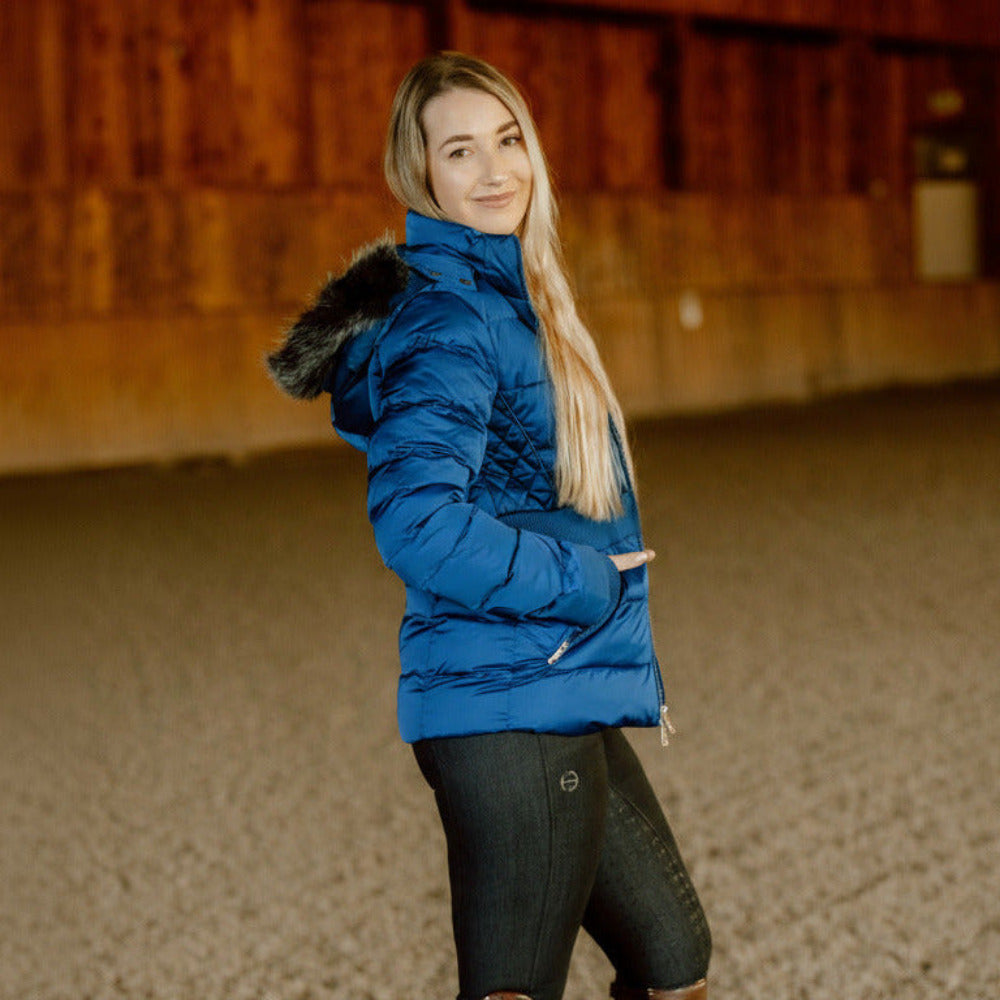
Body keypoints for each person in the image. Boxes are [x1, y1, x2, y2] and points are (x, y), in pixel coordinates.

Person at [268, 52, 711, 1000]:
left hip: (549, 676)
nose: (494, 169)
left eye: (508, 140)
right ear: (419, 174)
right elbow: (419, 525)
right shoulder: (451, 319)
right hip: (511, 701)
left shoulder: (516, 297)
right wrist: (588, 582)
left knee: (672, 960)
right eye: (460, 151)